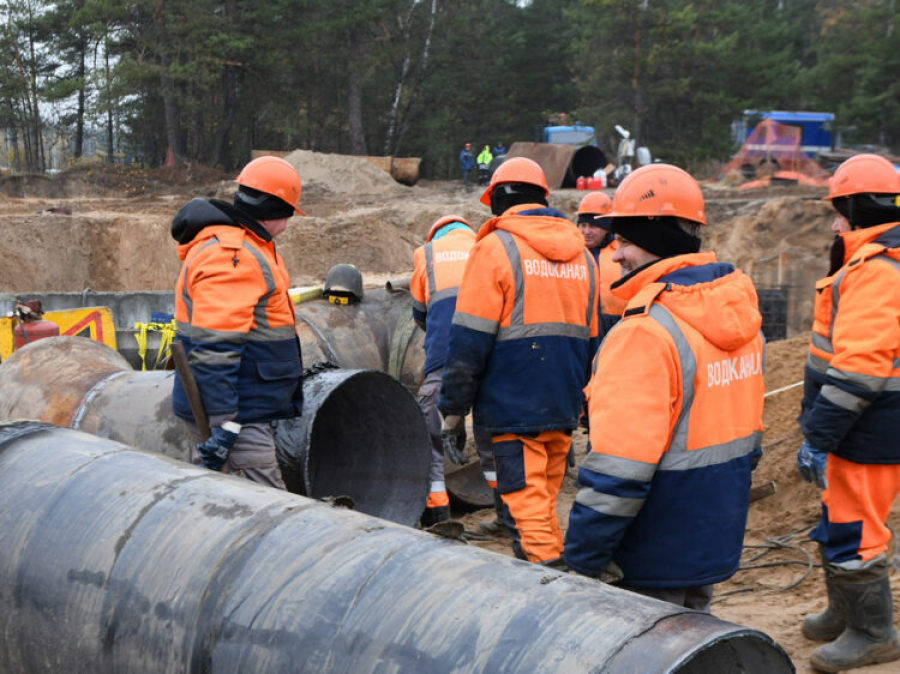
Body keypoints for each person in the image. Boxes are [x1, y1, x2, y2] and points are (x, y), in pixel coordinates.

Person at [564, 164, 765, 613]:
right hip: (712, 533)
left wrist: (583, 557)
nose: (616, 255)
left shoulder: (646, 332)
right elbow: (749, 441)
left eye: (627, 242)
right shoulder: (740, 316)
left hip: (652, 547)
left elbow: (619, 470)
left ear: (657, 243)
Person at [439, 157, 600, 565]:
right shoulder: (584, 256)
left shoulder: (495, 248)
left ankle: (551, 584)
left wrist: (454, 409)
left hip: (513, 404)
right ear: (543, 198)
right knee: (543, 501)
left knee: (526, 507)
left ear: (496, 200)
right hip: (563, 400)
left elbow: (469, 338)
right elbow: (593, 338)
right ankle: (554, 569)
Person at [796, 153, 900, 672]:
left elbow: (860, 370)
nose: (835, 221)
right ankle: (845, 610)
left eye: (839, 210)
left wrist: (818, 434)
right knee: (838, 516)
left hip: (870, 426)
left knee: (856, 527)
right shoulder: (871, 260)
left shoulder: (878, 270)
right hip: (861, 424)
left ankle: (874, 632)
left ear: (858, 208)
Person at [171, 155, 305, 490]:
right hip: (238, 413)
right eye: (287, 214)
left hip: (246, 405)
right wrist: (225, 425)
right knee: (268, 507)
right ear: (273, 209)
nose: (287, 225)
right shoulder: (233, 256)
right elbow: (216, 346)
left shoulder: (248, 247)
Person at [411, 214, 512, 533]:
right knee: (492, 435)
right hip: (491, 354)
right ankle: (505, 513)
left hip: (445, 353)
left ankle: (438, 516)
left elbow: (419, 314)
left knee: (432, 434)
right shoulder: (489, 248)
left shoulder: (425, 255)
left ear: (434, 236)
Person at [576, 191, 627, 321]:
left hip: (617, 324)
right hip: (582, 323)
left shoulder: (623, 254)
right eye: (583, 225)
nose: (586, 232)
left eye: (593, 226)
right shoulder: (572, 252)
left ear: (607, 229)